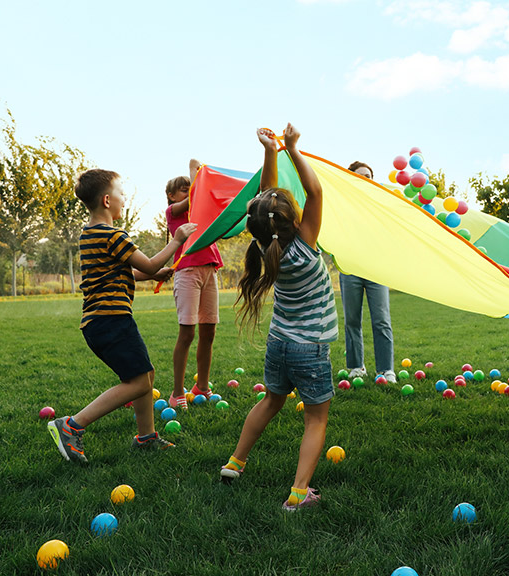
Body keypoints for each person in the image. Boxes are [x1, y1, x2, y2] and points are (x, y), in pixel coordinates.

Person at [219, 124, 338, 512]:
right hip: (310, 348)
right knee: (315, 420)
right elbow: (315, 191)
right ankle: (299, 494)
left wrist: (272, 152)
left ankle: (235, 463)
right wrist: (293, 148)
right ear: (292, 221)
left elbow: (262, 202)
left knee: (271, 401)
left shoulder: (263, 246)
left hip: (279, 344)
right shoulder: (305, 246)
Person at [48, 168, 196, 463]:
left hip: (100, 322)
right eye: (120, 194)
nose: (123, 199)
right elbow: (151, 264)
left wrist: (153, 273)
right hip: (112, 319)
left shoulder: (90, 235)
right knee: (140, 382)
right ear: (106, 200)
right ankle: (72, 425)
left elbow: (126, 271)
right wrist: (177, 239)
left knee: (145, 374)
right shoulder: (112, 235)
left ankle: (146, 437)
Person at [164, 160, 224, 410]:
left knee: (208, 332)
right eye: (183, 188)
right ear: (170, 195)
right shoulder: (173, 213)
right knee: (187, 333)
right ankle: (177, 392)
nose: (189, 190)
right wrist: (195, 174)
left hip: (209, 269)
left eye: (190, 186)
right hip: (187, 271)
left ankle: (202, 386)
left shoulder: (200, 210)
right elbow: (194, 197)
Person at [340, 161, 396, 385]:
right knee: (352, 319)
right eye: (362, 175)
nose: (367, 179)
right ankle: (356, 366)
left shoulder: (378, 203)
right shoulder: (342, 205)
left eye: (370, 176)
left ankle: (386, 369)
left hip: (375, 268)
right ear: (351, 177)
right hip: (350, 267)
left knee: (381, 319)